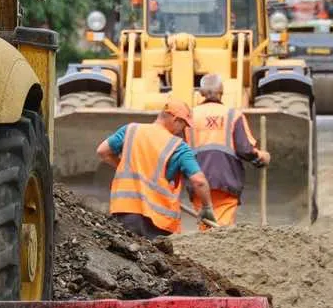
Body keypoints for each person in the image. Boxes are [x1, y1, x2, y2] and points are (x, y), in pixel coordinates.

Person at [96, 99, 214, 239]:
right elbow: (199, 181)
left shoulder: (131, 130)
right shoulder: (178, 146)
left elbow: (102, 151)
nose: (183, 130)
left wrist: (125, 166)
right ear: (175, 120)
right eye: (183, 125)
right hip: (157, 223)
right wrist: (207, 207)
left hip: (125, 212)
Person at [187, 74, 269, 230]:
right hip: (226, 180)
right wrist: (262, 156)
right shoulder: (233, 115)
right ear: (221, 92)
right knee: (222, 229)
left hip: (197, 180)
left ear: (201, 94)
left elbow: (177, 148)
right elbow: (245, 150)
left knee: (206, 227)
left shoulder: (189, 116)